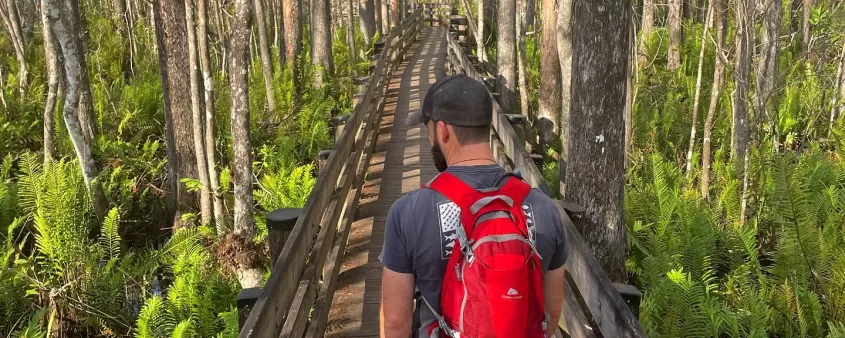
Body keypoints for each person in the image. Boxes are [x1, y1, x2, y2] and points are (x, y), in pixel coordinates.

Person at [378, 73, 568, 338]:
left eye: (429, 130)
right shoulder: (545, 208)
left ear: (442, 130)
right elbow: (551, 312)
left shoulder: (408, 213)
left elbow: (395, 322)